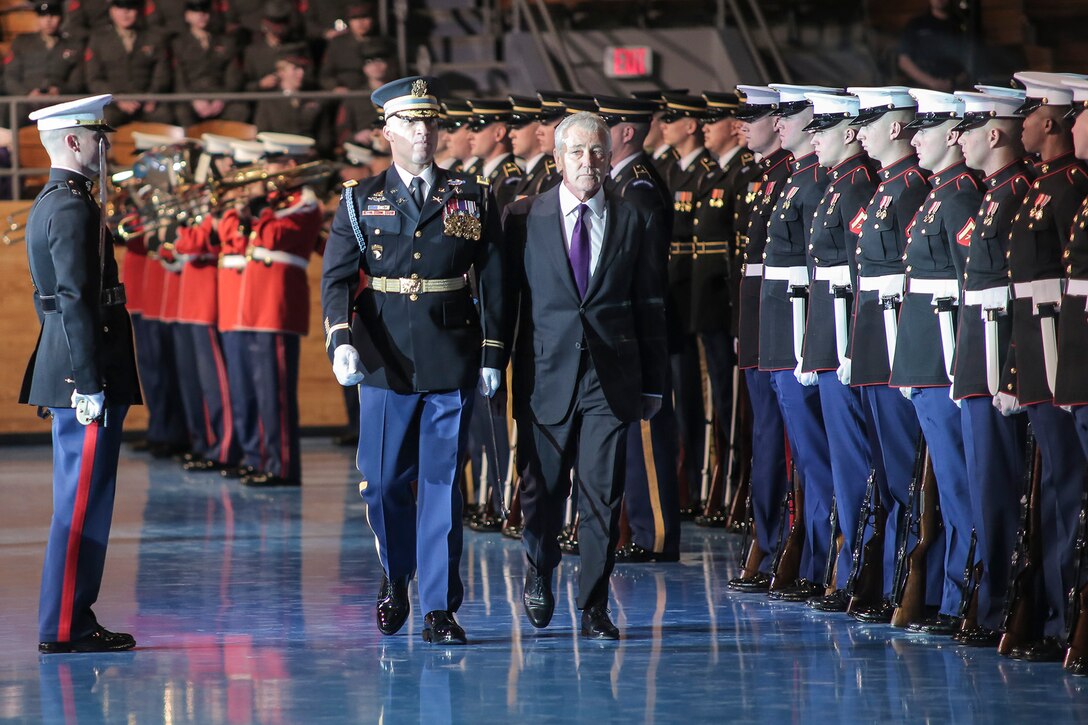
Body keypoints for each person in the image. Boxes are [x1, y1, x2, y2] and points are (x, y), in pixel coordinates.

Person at [321, 76, 505, 645]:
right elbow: (335, 279)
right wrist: (339, 339)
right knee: (380, 483)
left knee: (443, 483)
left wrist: (494, 351)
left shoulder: (470, 195)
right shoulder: (359, 199)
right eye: (409, 122)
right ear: (387, 131)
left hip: (450, 353)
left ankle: (438, 605)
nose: (422, 132)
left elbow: (493, 280)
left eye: (429, 121)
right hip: (383, 359)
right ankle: (395, 573)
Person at [504, 111, 667, 640]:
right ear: (557, 160)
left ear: (609, 155)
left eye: (596, 151)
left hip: (609, 377)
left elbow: (650, 304)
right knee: (543, 493)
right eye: (576, 152)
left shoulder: (632, 217)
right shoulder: (524, 217)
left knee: (602, 493)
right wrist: (492, 364)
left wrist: (653, 383)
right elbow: (509, 304)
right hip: (544, 375)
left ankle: (595, 604)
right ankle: (538, 566)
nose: (588, 161)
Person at [20, 94, 141, 653]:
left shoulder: (60, 200)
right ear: (73, 140)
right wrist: (88, 382)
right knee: (81, 503)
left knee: (87, 499)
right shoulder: (71, 207)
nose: (105, 146)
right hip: (81, 375)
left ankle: (74, 618)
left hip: (80, 368)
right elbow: (72, 298)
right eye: (98, 137)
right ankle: (66, 625)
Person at [1000, 71, 1088, 662]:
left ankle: (1067, 616)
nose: (1019, 125)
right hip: (1041, 359)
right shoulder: (1043, 187)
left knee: (1068, 490)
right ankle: (1056, 615)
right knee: (1055, 491)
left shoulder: (1070, 187)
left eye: (1028, 114)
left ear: (1049, 121)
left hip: (1064, 361)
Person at [890, 88, 981, 635]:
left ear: (954, 135)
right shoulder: (938, 194)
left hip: (945, 364)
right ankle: (951, 595)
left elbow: (969, 289)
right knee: (942, 488)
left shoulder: (961, 195)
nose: (913, 138)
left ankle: (962, 596)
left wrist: (956, 367)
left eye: (925, 128)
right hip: (923, 360)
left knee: (958, 486)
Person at [948, 89, 1032, 647]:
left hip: (998, 364)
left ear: (994, 134)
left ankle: (1004, 603)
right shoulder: (992, 196)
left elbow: (1016, 297)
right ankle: (991, 598)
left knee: (999, 488)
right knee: (983, 486)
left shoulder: (1013, 195)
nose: (958, 139)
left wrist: (1007, 376)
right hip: (977, 361)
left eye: (967, 128)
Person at [727, 85, 793, 593]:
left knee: (781, 440)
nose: (742, 123)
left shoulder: (790, 178)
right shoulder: (762, 180)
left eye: (754, 115)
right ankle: (768, 540)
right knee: (762, 437)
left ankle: (782, 545)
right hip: (755, 324)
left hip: (779, 328)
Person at [84, 0, 172, 126]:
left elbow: (162, 74)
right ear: (112, 11)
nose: (125, 13)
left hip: (146, 101)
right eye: (120, 8)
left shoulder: (154, 38)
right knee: (103, 121)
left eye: (130, 7)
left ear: (138, 11)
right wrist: (117, 99)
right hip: (113, 103)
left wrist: (151, 97)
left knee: (165, 116)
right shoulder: (98, 40)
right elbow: (94, 79)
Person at [170, 0, 248, 128]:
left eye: (205, 11)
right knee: (181, 112)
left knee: (239, 110)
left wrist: (222, 98)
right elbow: (179, 79)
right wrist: (193, 100)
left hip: (219, 95)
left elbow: (233, 76)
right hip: (192, 97)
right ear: (187, 16)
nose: (201, 15)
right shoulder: (178, 44)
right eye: (195, 12)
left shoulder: (226, 42)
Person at [4, 2, 84, 102]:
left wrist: (60, 91)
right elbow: (10, 77)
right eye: (43, 15)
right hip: (25, 105)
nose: (48, 20)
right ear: (37, 18)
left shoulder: (72, 45)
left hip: (59, 103)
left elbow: (77, 81)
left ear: (61, 17)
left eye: (54, 15)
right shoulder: (22, 43)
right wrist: (27, 94)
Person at [897, 0, 966, 92]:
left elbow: (971, 63)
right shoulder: (916, 25)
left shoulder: (961, 26)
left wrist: (952, 83)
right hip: (920, 91)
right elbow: (904, 61)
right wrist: (932, 82)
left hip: (954, 91)